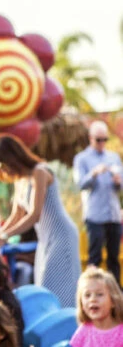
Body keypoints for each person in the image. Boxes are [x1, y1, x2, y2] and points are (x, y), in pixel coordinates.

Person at [0, 133, 81, 307]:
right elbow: (16, 215)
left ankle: (70, 328)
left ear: (11, 157)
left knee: (56, 287)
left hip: (61, 235)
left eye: (1, 164)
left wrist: (4, 236)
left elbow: (34, 214)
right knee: (43, 286)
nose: (2, 171)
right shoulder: (20, 180)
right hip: (45, 239)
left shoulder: (39, 171)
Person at [73, 120, 123, 285]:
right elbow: (80, 184)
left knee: (113, 258)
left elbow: (121, 186)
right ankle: (89, 291)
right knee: (94, 257)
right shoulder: (82, 159)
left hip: (113, 214)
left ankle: (115, 295)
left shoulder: (113, 157)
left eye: (105, 139)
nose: (102, 143)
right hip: (95, 215)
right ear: (90, 138)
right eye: (98, 139)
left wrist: (117, 181)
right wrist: (94, 173)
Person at [69, 267, 123, 346]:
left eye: (99, 294)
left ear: (113, 301)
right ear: (82, 305)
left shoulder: (120, 332)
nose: (93, 299)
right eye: (87, 295)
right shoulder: (83, 331)